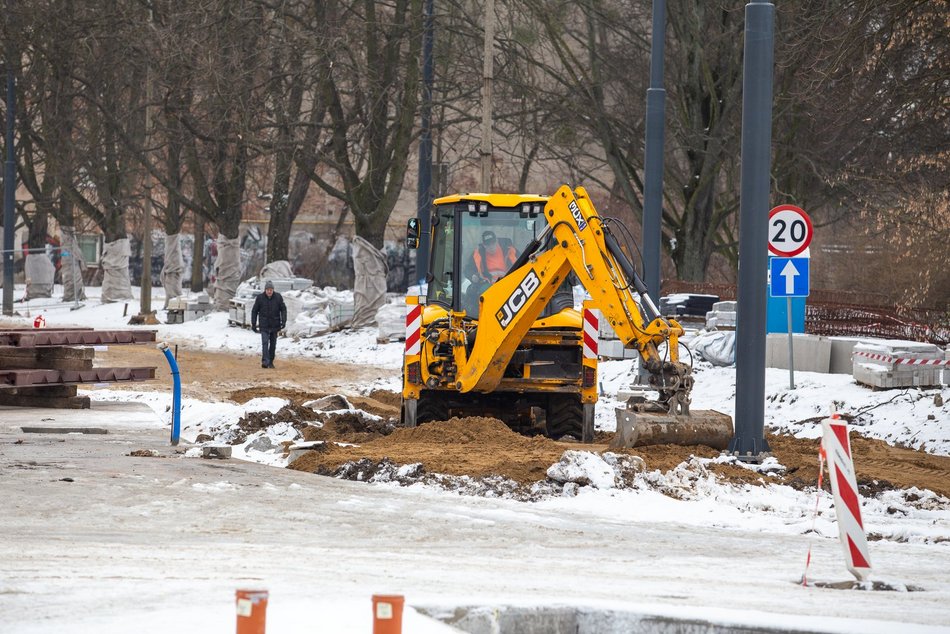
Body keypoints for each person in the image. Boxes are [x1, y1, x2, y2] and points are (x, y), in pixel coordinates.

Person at [251, 280, 287, 369]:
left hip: (275, 325)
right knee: (265, 343)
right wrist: (253, 323)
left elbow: (283, 309)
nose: (269, 291)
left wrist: (284, 320)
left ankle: (271, 361)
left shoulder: (278, 297)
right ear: (265, 290)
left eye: (271, 290)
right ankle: (265, 361)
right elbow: (254, 311)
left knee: (273, 344)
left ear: (273, 290)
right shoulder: (260, 298)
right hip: (264, 325)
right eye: (268, 290)